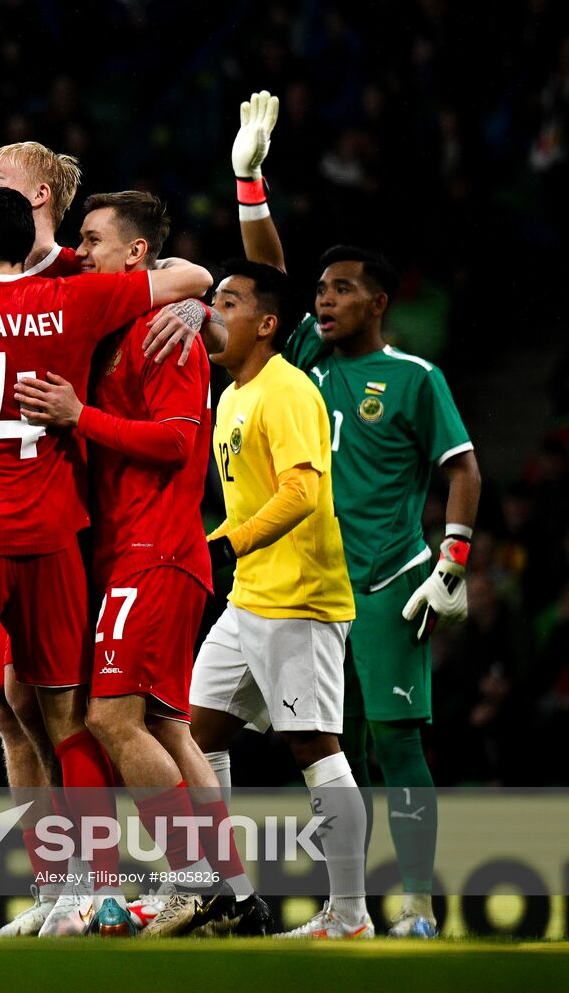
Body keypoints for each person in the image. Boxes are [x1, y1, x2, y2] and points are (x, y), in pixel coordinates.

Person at [0, 183, 213, 937]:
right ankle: (104, 894)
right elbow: (187, 278)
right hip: (53, 535)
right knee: (65, 715)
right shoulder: (80, 302)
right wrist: (194, 305)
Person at [231, 91, 481, 938]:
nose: (325, 300)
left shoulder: (414, 377)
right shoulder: (301, 358)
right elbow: (267, 282)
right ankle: (350, 909)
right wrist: (251, 183)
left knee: (394, 745)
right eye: (323, 290)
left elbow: (464, 468)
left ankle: (416, 908)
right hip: (312, 591)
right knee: (337, 753)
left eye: (343, 290)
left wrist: (452, 562)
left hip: (387, 581)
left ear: (379, 302)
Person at [14, 191, 269, 938]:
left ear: (134, 256)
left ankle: (191, 883)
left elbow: (178, 443)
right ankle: (234, 892)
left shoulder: (166, 332)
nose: (82, 251)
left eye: (92, 240)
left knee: (110, 718)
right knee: (169, 725)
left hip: (154, 551)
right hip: (137, 553)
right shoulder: (126, 321)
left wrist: (78, 416)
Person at [187, 259, 373, 939]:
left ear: (266, 323)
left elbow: (302, 489)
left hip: (300, 598)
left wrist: (227, 542)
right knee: (192, 734)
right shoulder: (232, 395)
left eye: (227, 302)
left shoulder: (285, 388)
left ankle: (350, 917)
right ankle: (221, 893)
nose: (212, 312)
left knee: (314, 747)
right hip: (250, 599)